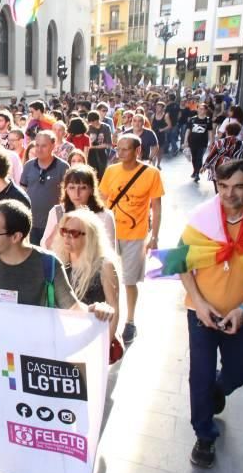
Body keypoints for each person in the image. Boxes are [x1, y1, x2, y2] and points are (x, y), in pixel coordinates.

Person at [0, 200, 114, 473]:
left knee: (35, 423)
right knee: (4, 417)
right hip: (3, 358)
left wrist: (96, 310)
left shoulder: (46, 263)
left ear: (15, 236)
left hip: (38, 361)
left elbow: (72, 307)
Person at [160, 161, 243, 469]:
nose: (229, 194)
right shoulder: (203, 218)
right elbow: (181, 263)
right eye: (223, 186)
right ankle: (204, 435)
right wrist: (200, 305)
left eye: (238, 186)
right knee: (199, 375)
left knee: (239, 370)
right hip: (201, 311)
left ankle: (218, 390)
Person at [99, 134, 164, 346]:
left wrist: (154, 236)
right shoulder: (111, 171)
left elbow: (156, 206)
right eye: (119, 148)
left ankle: (130, 321)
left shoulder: (151, 174)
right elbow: (102, 199)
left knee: (129, 280)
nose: (121, 152)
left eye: (126, 149)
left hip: (136, 235)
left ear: (138, 151)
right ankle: (109, 318)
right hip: (110, 233)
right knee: (108, 278)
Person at [52, 208, 123, 362]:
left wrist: (102, 350)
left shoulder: (104, 265)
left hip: (92, 341)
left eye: (74, 233)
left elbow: (115, 310)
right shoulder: (59, 262)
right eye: (64, 231)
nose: (67, 237)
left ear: (90, 236)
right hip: (65, 343)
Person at [42, 164, 116, 249]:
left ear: (91, 190)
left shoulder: (105, 216)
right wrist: (60, 227)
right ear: (66, 189)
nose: (77, 193)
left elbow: (110, 252)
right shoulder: (56, 212)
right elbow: (45, 247)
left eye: (83, 188)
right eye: (72, 187)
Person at [19, 130, 69, 246]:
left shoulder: (63, 167)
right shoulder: (28, 166)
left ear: (53, 146)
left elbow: (68, 195)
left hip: (54, 224)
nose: (39, 149)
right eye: (37, 145)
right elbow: (22, 192)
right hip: (31, 223)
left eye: (44, 146)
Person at [202, 122, 243, 191]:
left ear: (226, 131)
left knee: (218, 189)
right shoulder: (241, 144)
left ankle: (219, 197)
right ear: (238, 132)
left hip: (218, 169)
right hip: (233, 170)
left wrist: (205, 166)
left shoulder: (220, 142)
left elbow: (212, 155)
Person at [184, 103, 214, 182]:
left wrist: (211, 142)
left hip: (202, 142)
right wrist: (185, 141)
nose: (201, 110)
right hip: (192, 142)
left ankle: (197, 173)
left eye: (202, 109)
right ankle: (195, 170)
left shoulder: (208, 120)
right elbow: (188, 130)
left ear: (205, 110)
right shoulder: (192, 119)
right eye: (199, 109)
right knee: (194, 158)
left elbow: (210, 132)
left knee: (199, 158)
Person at [85, 111, 112, 180]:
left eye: (93, 122)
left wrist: (93, 147)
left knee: (102, 173)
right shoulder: (88, 128)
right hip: (91, 154)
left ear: (98, 120)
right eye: (90, 122)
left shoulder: (105, 127)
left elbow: (108, 144)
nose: (92, 124)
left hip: (102, 153)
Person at [150, 102, 171, 170]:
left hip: (161, 134)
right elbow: (151, 124)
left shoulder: (165, 116)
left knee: (160, 151)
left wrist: (162, 129)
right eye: (157, 106)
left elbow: (169, 125)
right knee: (153, 149)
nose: (157, 108)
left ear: (162, 108)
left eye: (159, 107)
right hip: (154, 134)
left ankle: (158, 164)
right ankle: (153, 165)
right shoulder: (153, 115)